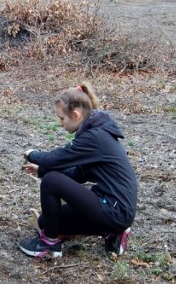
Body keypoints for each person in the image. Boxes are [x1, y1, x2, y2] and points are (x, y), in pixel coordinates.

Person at [19, 83, 137, 258]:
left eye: (61, 118)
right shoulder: (96, 133)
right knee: (46, 221)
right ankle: (113, 232)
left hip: (114, 209)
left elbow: (56, 159)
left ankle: (49, 244)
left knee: (51, 181)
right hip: (115, 210)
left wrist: (32, 154)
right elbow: (78, 175)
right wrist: (40, 170)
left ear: (75, 115)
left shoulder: (94, 137)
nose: (60, 124)